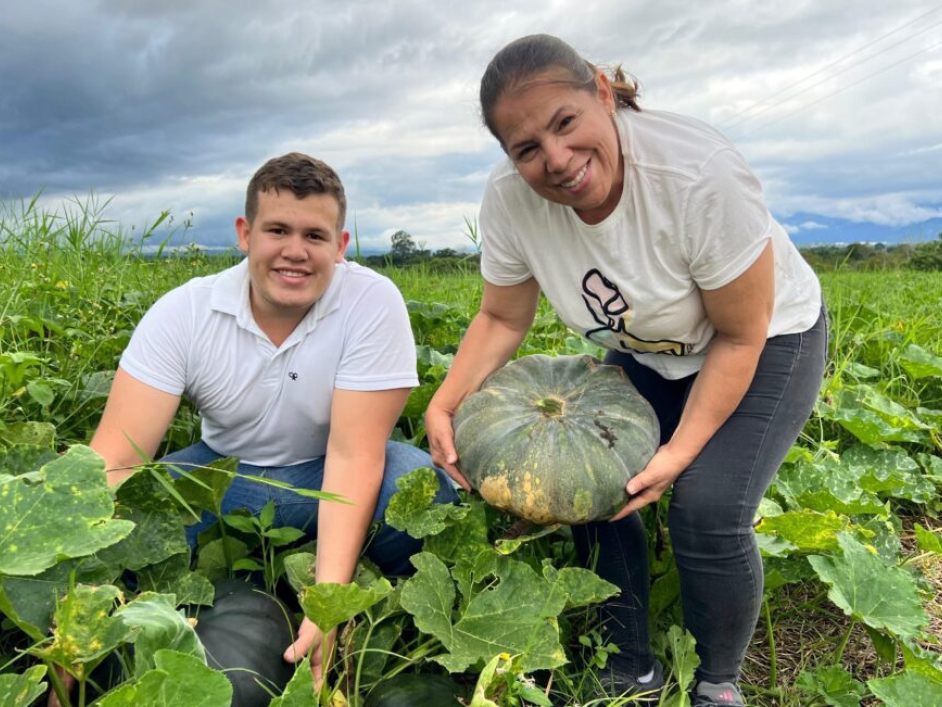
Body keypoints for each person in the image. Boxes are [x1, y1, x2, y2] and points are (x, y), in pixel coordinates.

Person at [425, 35, 827, 707]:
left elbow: (737, 336)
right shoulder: (511, 202)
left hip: (766, 338)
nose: (556, 159)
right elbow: (500, 317)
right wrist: (445, 400)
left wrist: (680, 449)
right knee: (588, 481)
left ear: (603, 95)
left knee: (706, 507)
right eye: (526, 148)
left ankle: (718, 681)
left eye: (565, 122)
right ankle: (627, 664)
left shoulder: (698, 174)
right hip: (650, 347)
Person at [88, 152, 458, 686]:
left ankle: (360, 606)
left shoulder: (372, 302)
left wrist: (328, 606)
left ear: (341, 245)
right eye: (278, 230)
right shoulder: (184, 312)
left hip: (326, 473)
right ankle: (236, 600)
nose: (295, 252)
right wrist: (83, 603)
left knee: (418, 486)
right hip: (224, 478)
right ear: (245, 233)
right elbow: (117, 458)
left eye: (315, 235)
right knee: (141, 510)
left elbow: (354, 454)